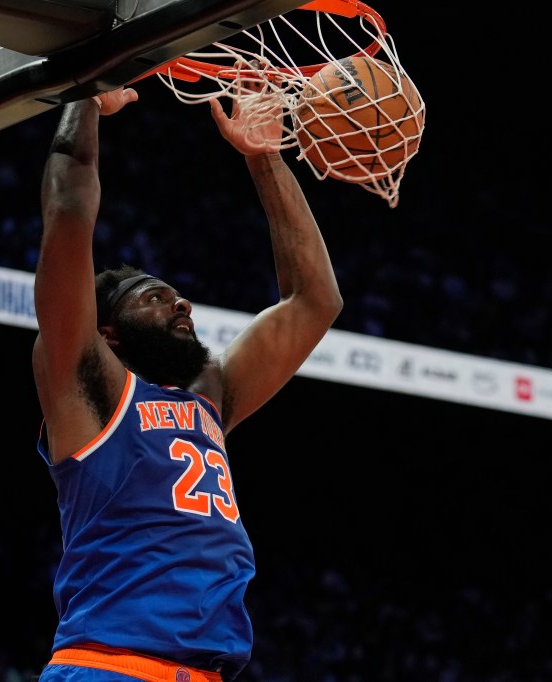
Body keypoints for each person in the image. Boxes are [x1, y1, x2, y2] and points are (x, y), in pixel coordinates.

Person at [32, 79, 343, 682]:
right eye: (154, 298)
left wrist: (264, 160)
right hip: (111, 666)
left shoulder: (209, 397)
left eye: (176, 297)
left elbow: (315, 300)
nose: (181, 305)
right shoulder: (86, 382)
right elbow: (68, 209)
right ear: (108, 333)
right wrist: (85, 96)